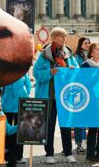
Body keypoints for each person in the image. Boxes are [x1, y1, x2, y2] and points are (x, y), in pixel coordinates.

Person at [33, 27, 78, 164]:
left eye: (64, 36)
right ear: (54, 38)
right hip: (49, 96)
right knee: (49, 126)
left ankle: (68, 153)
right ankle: (49, 154)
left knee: (65, 125)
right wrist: (49, 72)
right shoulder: (44, 55)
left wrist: (72, 70)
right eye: (61, 36)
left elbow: (77, 70)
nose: (64, 39)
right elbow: (36, 73)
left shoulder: (68, 53)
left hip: (65, 96)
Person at [1, 72, 31, 166]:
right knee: (7, 130)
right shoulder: (21, 72)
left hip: (18, 103)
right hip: (11, 103)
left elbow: (28, 85)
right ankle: (10, 155)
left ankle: (16, 155)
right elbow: (28, 86)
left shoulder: (21, 72)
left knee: (20, 130)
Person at [73, 37, 90, 153]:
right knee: (79, 118)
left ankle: (85, 141)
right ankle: (79, 143)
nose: (88, 45)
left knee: (86, 118)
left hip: (89, 90)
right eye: (85, 43)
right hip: (79, 91)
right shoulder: (76, 57)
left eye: (89, 43)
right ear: (81, 44)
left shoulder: (90, 57)